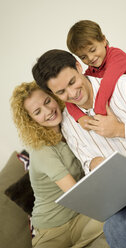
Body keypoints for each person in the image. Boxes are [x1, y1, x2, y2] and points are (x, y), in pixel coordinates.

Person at [32, 49, 126, 248]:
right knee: (113, 225)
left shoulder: (125, 86)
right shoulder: (70, 125)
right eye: (61, 92)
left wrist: (121, 130)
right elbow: (87, 162)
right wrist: (93, 165)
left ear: (79, 67)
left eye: (72, 82)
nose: (71, 94)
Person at [10, 81, 109, 248]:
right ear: (31, 120)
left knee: (116, 217)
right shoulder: (42, 150)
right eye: (37, 111)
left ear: (54, 96)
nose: (48, 111)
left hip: (80, 218)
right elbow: (77, 194)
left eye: (47, 101)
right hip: (52, 231)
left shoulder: (70, 126)